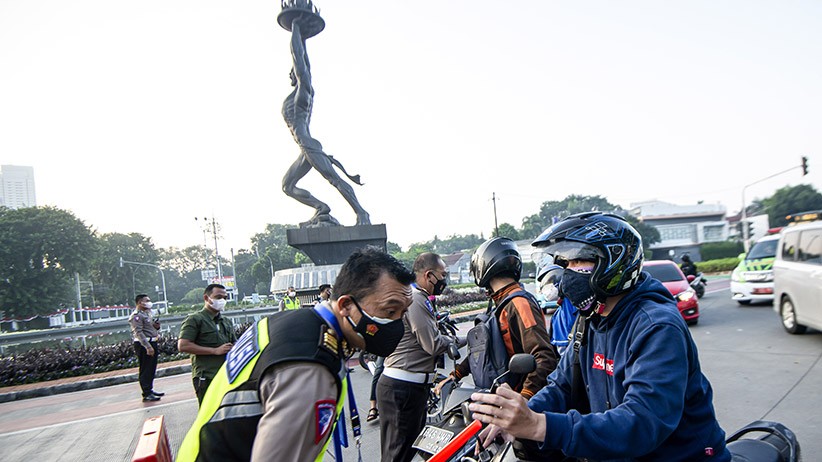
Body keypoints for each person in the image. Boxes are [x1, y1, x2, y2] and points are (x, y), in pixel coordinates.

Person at [469, 212, 731, 461]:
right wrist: (520, 416)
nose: (568, 272)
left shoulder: (656, 326)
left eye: (578, 261)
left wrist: (540, 425)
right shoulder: (591, 318)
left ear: (613, 262)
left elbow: (643, 421)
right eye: (566, 264)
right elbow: (562, 386)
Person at [177, 247, 415, 462]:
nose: (398, 323)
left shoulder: (284, 323)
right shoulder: (311, 369)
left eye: (403, 312)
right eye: (390, 310)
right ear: (345, 306)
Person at [436, 237, 556, 400]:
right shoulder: (501, 304)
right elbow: (483, 350)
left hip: (514, 401)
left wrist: (525, 398)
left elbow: (543, 356)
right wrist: (455, 375)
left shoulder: (519, 303)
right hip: (498, 398)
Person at [281, 16, 370, 227]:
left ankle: (362, 214)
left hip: (308, 144)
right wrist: (301, 36)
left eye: (293, 71)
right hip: (304, 148)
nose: (290, 74)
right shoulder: (297, 96)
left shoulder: (302, 95)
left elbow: (300, 59)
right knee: (288, 186)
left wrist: (295, 29)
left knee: (334, 180)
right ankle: (321, 207)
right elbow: (302, 60)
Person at [377, 253, 459, 462]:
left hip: (406, 387)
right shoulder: (415, 299)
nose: (444, 280)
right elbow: (431, 344)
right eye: (443, 275)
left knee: (414, 447)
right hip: (403, 389)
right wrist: (462, 340)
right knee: (398, 454)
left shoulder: (415, 296)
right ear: (429, 275)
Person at [178, 284, 237, 405]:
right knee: (209, 413)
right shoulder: (195, 319)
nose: (222, 301)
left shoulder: (226, 321)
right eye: (218, 297)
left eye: (225, 298)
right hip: (207, 376)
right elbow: (183, 345)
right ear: (206, 298)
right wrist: (214, 351)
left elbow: (234, 341)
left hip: (226, 375)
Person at [128, 294, 164, 402]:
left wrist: (156, 327)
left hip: (152, 342)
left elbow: (149, 329)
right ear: (140, 303)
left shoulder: (146, 314)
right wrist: (148, 347)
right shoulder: (136, 316)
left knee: (151, 368)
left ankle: (150, 389)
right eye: (146, 300)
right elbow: (138, 333)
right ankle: (146, 393)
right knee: (145, 369)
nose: (149, 302)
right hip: (144, 344)